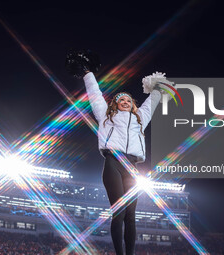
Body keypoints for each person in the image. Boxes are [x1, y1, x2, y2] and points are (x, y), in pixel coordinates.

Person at [66, 50, 165, 255]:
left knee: (131, 215)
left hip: (132, 167)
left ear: (133, 104)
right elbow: (94, 94)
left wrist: (158, 85)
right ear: (115, 104)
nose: (125, 102)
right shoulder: (105, 115)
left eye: (129, 100)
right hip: (113, 163)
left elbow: (153, 100)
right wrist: (87, 73)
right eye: (121, 100)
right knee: (118, 212)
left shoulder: (140, 119)